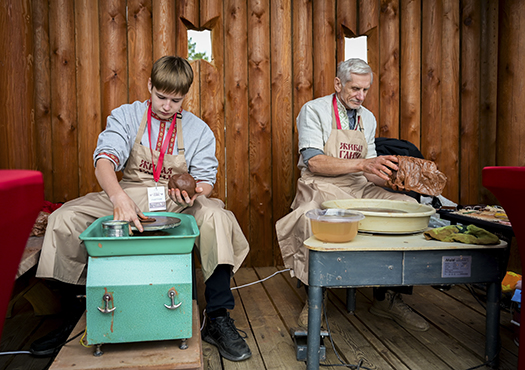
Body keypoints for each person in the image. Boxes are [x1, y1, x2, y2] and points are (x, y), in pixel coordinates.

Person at [32, 56, 252, 361]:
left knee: (216, 217)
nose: (167, 106)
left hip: (177, 201)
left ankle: (217, 317)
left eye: (176, 100)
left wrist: (194, 190)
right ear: (149, 86)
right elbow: (104, 162)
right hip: (129, 192)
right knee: (64, 219)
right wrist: (118, 197)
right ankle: (78, 318)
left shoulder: (198, 129)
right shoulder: (127, 116)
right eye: (161, 97)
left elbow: (206, 182)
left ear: (185, 97)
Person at [275, 58, 429, 332]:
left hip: (358, 185)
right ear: (338, 84)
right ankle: (315, 300)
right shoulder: (314, 110)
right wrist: (363, 164)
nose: (361, 96)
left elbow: (369, 170)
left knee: (407, 207)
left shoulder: (367, 118)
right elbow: (314, 162)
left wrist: (390, 178)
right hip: (319, 184)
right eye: (354, 88)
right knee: (311, 217)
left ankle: (386, 298)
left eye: (365, 90)